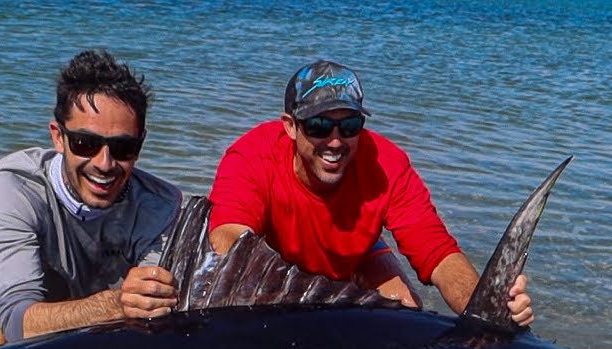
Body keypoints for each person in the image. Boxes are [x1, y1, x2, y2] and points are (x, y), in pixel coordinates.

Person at [206, 60, 534, 326]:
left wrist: (486, 310)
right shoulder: (251, 155)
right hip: (275, 269)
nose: (335, 142)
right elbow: (227, 237)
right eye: (319, 126)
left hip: (355, 249)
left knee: (405, 311)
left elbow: (437, 253)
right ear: (290, 126)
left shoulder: (386, 162)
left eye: (349, 126)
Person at [0, 49, 181, 349]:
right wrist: (115, 304)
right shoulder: (14, 185)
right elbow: (17, 325)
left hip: (97, 300)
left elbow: (147, 311)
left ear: (141, 144)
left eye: (123, 147)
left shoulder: (162, 206)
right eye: (86, 144)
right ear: (58, 137)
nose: (104, 164)